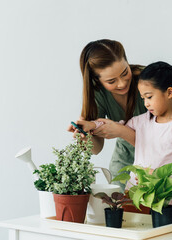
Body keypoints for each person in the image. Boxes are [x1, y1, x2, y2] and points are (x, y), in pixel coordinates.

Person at [78, 61, 172, 218]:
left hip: (165, 202)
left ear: (169, 93)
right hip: (134, 198)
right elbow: (117, 125)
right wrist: (91, 125)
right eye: (142, 98)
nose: (145, 103)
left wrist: (160, 174)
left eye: (149, 97)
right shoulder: (141, 121)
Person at [67, 39, 146, 189]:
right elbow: (96, 149)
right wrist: (86, 137)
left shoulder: (150, 80)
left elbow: (165, 141)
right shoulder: (98, 95)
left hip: (161, 159)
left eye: (125, 73)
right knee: (119, 206)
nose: (122, 83)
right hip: (125, 160)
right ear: (96, 81)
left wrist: (121, 131)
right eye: (111, 81)